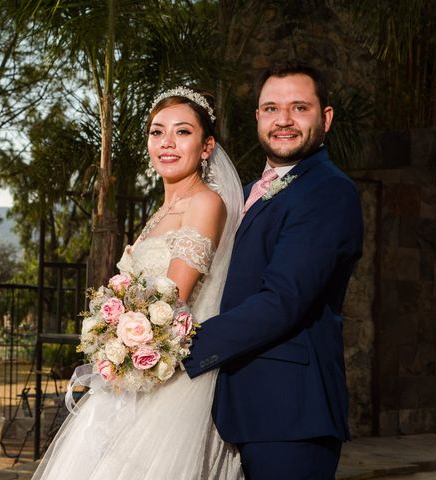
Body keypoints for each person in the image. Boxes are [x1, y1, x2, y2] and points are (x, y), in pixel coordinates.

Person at [32, 87, 245, 480]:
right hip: (133, 379)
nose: (166, 142)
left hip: (170, 384)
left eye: (182, 132)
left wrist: (120, 344)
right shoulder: (162, 210)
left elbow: (172, 301)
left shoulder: (205, 203)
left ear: (206, 146)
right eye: (156, 132)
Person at [183, 64, 364, 479]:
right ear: (259, 119)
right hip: (237, 405)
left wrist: (180, 346)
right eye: (271, 108)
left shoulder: (329, 191)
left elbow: (283, 301)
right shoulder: (247, 192)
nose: (283, 119)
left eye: (299, 107)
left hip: (291, 414)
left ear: (326, 118)